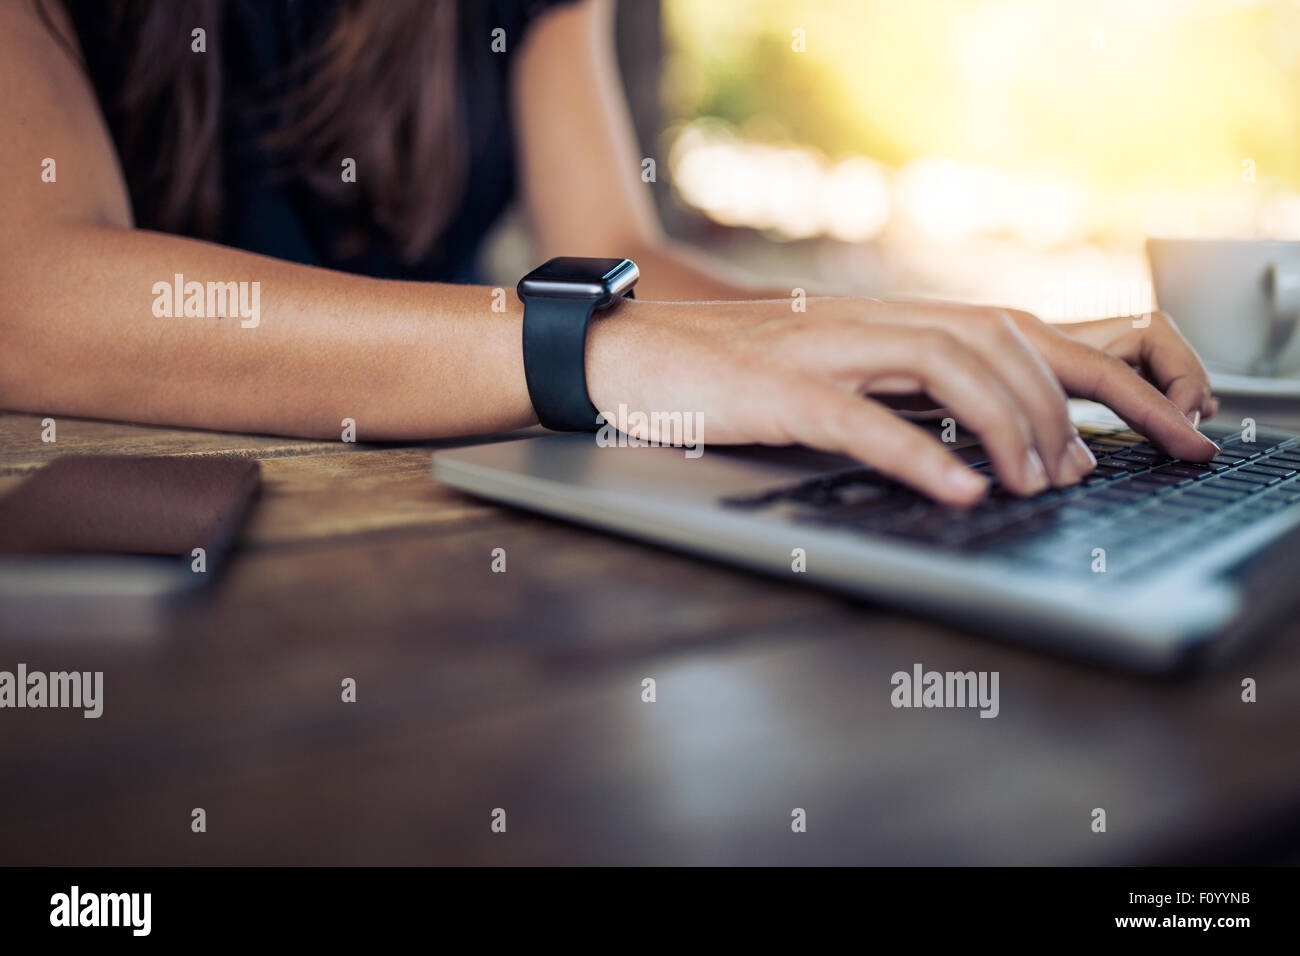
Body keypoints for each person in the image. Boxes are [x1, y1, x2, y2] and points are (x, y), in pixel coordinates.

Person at [0, 0, 1219, 506]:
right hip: (130, 534)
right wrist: (593, 349)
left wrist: (931, 328)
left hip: (438, 530)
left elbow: (614, 247)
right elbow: (32, 288)